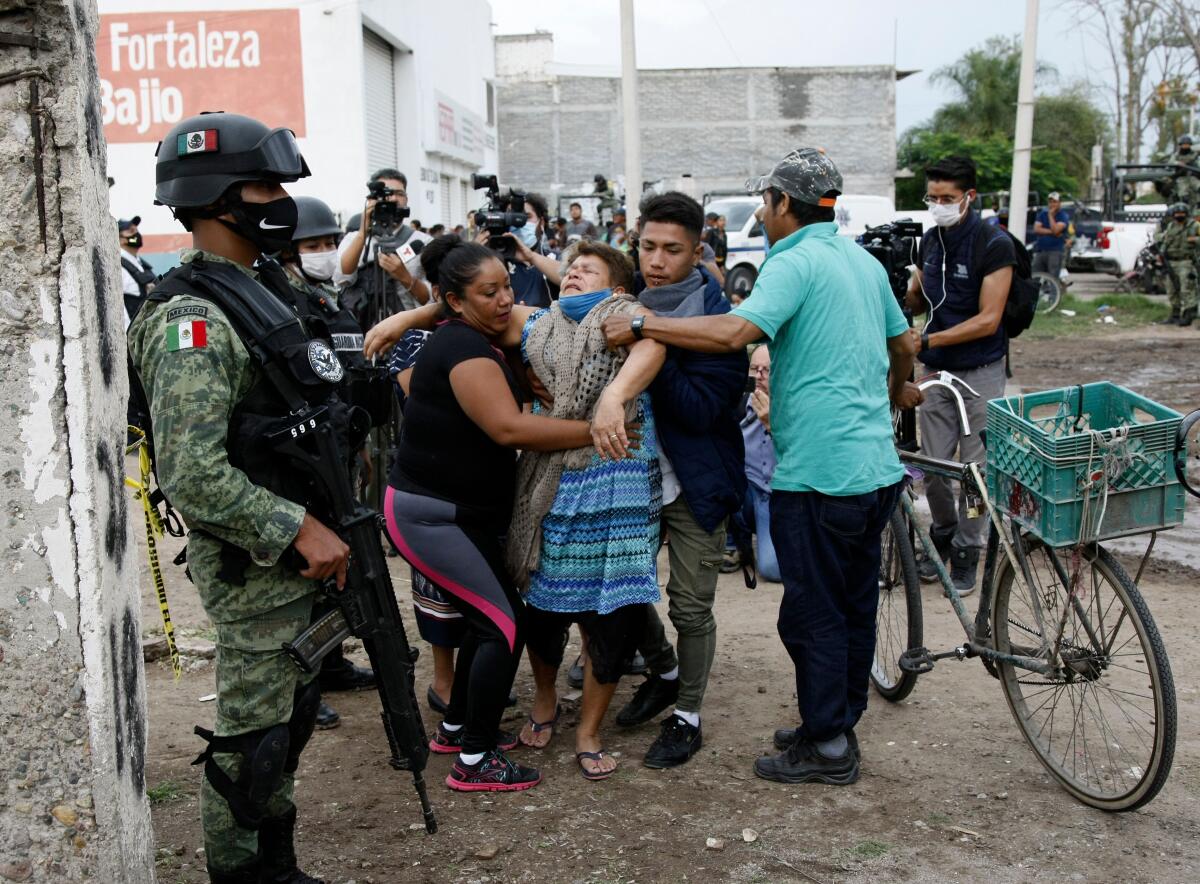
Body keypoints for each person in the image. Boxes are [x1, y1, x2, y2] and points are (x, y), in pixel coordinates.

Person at [601, 146, 920, 787]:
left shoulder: (791, 259)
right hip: (876, 469)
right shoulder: (860, 259)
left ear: (779, 204)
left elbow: (731, 335)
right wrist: (890, 395)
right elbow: (903, 344)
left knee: (811, 615)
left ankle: (828, 745)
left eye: (765, 202)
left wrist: (641, 321)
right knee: (850, 606)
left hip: (820, 476)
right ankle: (832, 723)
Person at [128, 111, 347, 884]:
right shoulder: (193, 318)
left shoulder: (260, 289)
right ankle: (243, 873)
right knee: (252, 740)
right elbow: (192, 472)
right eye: (265, 184)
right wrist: (299, 529)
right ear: (217, 195)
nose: (281, 199)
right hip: (258, 567)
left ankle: (277, 868)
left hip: (299, 556)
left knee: (286, 726)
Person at [363, 237, 634, 792]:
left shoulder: (478, 335)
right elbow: (510, 429)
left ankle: (457, 728)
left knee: (492, 618)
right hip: (431, 516)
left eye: (507, 286)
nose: (505, 299)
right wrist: (597, 430)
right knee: (502, 626)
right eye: (489, 292)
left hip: (455, 513)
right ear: (455, 302)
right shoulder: (462, 348)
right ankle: (476, 760)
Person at [507, 242, 665, 780]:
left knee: (614, 616)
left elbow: (652, 348)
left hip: (615, 482)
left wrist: (613, 397)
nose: (573, 274)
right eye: (569, 269)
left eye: (587, 270)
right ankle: (546, 699)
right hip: (550, 479)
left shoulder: (623, 317)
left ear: (615, 287)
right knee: (543, 606)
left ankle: (589, 730)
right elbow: (476, 312)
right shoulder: (540, 322)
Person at [606, 191, 748, 770]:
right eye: (647, 247)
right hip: (632, 479)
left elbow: (700, 412)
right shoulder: (625, 304)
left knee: (691, 606)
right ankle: (663, 671)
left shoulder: (721, 322)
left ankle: (687, 714)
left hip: (696, 483)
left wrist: (650, 341)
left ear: (698, 253)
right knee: (618, 592)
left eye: (672, 250)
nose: (656, 261)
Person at [278, 195, 378, 731]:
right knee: (314, 574)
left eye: (327, 244)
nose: (323, 253)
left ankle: (333, 662)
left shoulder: (328, 296)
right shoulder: (284, 302)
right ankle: (307, 681)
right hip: (309, 454)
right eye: (312, 245)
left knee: (346, 565)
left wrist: (358, 443)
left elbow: (348, 371)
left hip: (343, 445)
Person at [903, 156, 1015, 595]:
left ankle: (969, 549)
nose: (939, 205)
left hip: (980, 371)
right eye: (933, 197)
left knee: (974, 473)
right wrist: (911, 290)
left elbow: (989, 320)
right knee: (931, 467)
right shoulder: (931, 242)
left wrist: (928, 342)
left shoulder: (993, 244)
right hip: (936, 372)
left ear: (969, 197)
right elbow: (920, 301)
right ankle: (945, 532)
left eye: (948, 198)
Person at [335, 168, 430, 326]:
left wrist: (404, 276)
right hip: (364, 331)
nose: (392, 198)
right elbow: (343, 278)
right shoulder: (355, 239)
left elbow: (431, 298)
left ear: (407, 199)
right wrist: (363, 231)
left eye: (399, 194)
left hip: (408, 331)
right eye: (386, 194)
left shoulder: (422, 241)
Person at [477, 192, 560, 308]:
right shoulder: (496, 263)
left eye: (526, 216)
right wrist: (473, 254)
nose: (519, 224)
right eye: (513, 217)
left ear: (541, 223)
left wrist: (531, 256)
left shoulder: (554, 257)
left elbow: (566, 276)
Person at [1153, 202, 1200, 326]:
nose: (1179, 215)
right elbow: (1166, 241)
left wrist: (1194, 239)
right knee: (1171, 289)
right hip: (1171, 261)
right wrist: (1161, 254)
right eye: (1177, 213)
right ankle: (1175, 314)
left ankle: (1189, 314)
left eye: (1182, 213)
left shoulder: (1194, 226)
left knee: (1187, 289)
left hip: (1186, 261)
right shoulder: (1171, 226)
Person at [118, 216, 156, 327]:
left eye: (137, 230)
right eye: (131, 231)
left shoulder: (142, 264)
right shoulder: (118, 267)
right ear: (120, 239)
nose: (137, 235)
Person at [1031, 192, 1069, 280]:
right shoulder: (1042, 214)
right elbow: (1036, 229)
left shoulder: (1063, 216)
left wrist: (1050, 216)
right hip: (1041, 250)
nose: (1052, 204)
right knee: (1035, 275)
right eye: (1050, 202)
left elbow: (1056, 230)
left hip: (1055, 251)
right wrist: (1052, 232)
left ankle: (1053, 293)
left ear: (1059, 203)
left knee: (1052, 277)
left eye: (1055, 202)